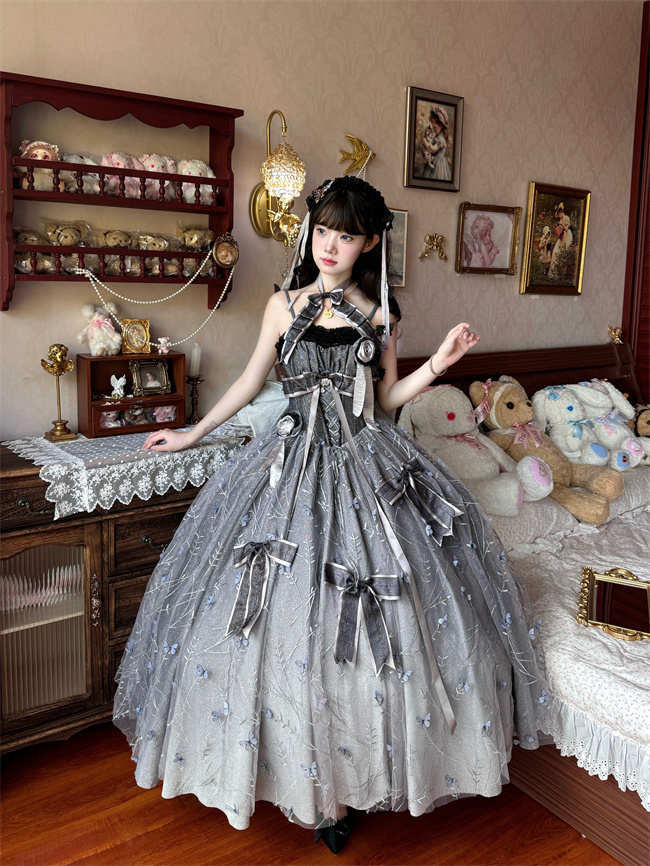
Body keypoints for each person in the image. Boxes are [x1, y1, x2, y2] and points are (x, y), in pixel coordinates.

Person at [113, 176, 547, 855]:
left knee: (372, 631)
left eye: (345, 236)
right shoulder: (282, 305)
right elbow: (250, 381)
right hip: (288, 467)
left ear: (368, 243)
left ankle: (343, 787)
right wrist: (192, 433)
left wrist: (440, 362)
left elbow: (387, 401)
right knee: (280, 624)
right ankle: (291, 777)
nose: (330, 245)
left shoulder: (380, 314)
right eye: (322, 231)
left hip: (365, 463)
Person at [421, 105, 452, 181]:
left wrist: (424, 141)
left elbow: (433, 149)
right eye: (432, 126)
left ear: (441, 126)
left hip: (438, 165)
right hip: (433, 162)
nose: (432, 129)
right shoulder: (436, 136)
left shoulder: (440, 139)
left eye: (434, 127)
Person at [548, 214, 573, 279]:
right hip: (562, 236)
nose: (558, 216)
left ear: (560, 212)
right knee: (555, 252)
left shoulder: (566, 217)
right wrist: (557, 227)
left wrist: (561, 224)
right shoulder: (561, 219)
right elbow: (560, 230)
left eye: (558, 214)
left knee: (561, 253)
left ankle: (560, 273)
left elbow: (566, 229)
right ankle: (554, 272)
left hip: (567, 236)